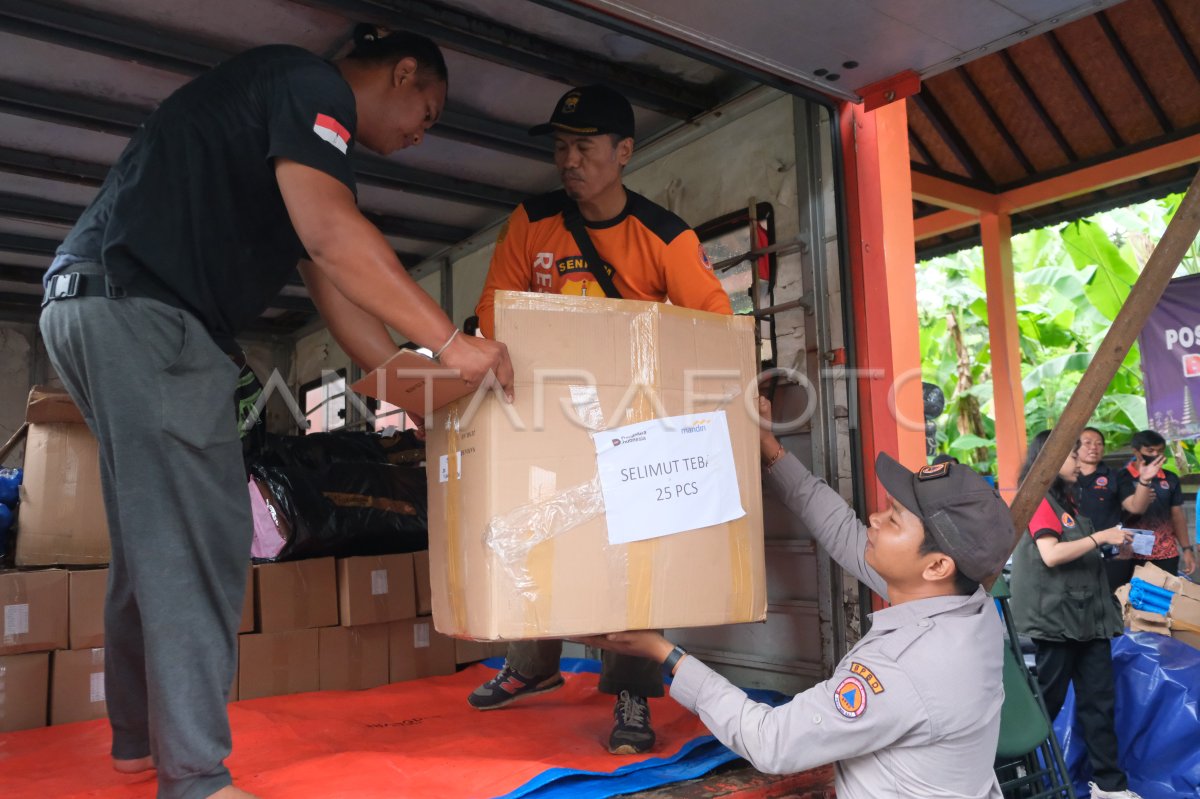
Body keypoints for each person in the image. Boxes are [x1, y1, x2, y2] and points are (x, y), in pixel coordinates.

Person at [39, 30, 512, 799]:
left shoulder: (291, 147)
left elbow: (359, 325)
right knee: (206, 533)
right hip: (148, 315)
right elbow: (335, 237)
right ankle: (194, 777)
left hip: (86, 306)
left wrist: (428, 383)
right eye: (425, 110)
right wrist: (455, 342)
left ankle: (137, 742)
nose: (422, 132)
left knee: (150, 536)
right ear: (399, 73)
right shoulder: (309, 86)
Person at [467, 84, 731, 755]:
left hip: (630, 421)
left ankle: (633, 694)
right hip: (547, 411)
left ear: (623, 153)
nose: (569, 160)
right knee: (534, 528)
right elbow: (496, 310)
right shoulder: (532, 221)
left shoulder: (665, 237)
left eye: (584, 147)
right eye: (560, 146)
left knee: (630, 558)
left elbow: (714, 327)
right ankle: (532, 663)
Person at [579, 397, 1014, 797]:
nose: (876, 518)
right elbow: (845, 534)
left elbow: (772, 742)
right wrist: (770, 447)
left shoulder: (903, 669)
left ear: (937, 566)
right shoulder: (968, 608)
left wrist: (664, 654)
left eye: (895, 520)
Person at [1009, 430, 1140, 799]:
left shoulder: (1067, 504)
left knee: (1100, 702)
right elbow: (1050, 554)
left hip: (1088, 620)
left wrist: (1111, 547)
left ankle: (1110, 786)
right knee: (1048, 701)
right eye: (1070, 455)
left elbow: (1074, 551)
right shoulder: (1038, 503)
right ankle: (1022, 767)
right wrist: (1101, 538)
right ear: (1048, 461)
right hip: (1057, 621)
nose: (1078, 460)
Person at [1075, 427, 1170, 589]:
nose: (1094, 447)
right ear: (1074, 448)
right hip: (1075, 552)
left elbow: (1136, 507)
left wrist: (1144, 480)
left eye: (1099, 444)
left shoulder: (1116, 475)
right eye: (1087, 443)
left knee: (1114, 601)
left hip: (1111, 554)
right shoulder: (1064, 477)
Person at [1110, 429, 1195, 586]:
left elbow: (1177, 516)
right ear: (1136, 451)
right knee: (1130, 601)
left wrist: (1187, 549)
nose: (1156, 454)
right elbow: (1128, 509)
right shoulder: (1121, 477)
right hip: (1130, 553)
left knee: (1163, 601)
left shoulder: (1170, 478)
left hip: (1166, 553)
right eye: (1150, 450)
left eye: (1160, 451)